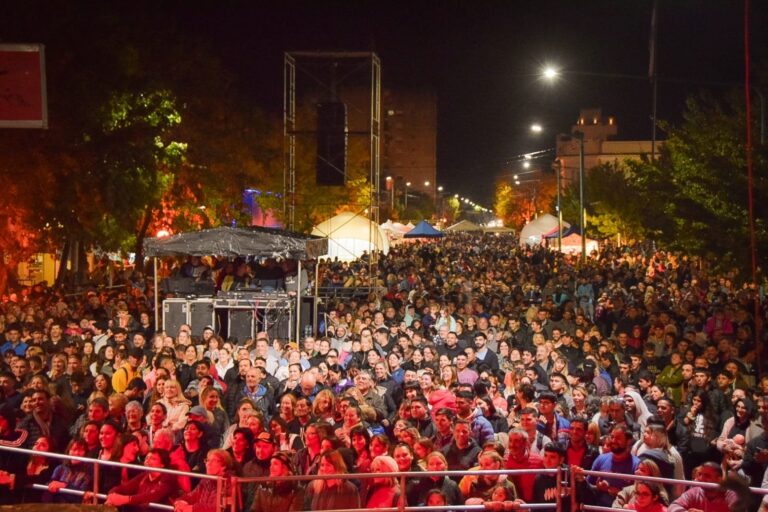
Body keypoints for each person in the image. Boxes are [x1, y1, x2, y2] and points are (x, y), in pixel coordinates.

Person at [104, 448, 176, 509]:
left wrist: (125, 499)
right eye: (147, 458)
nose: (147, 461)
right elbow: (126, 487)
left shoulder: (168, 477)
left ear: (162, 464)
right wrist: (112, 494)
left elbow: (153, 496)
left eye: (153, 459)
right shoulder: (144, 475)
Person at [667, 462, 738, 512]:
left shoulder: (731, 494)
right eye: (700, 474)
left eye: (707, 476)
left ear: (719, 479)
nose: (701, 478)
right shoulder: (695, 491)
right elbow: (673, 506)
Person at [43, 438, 92, 503]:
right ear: (69, 451)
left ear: (85, 453)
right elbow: (48, 490)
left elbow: (81, 497)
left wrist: (65, 486)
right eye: (74, 449)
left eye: (80, 450)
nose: (77, 453)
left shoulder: (88, 472)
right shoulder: (60, 468)